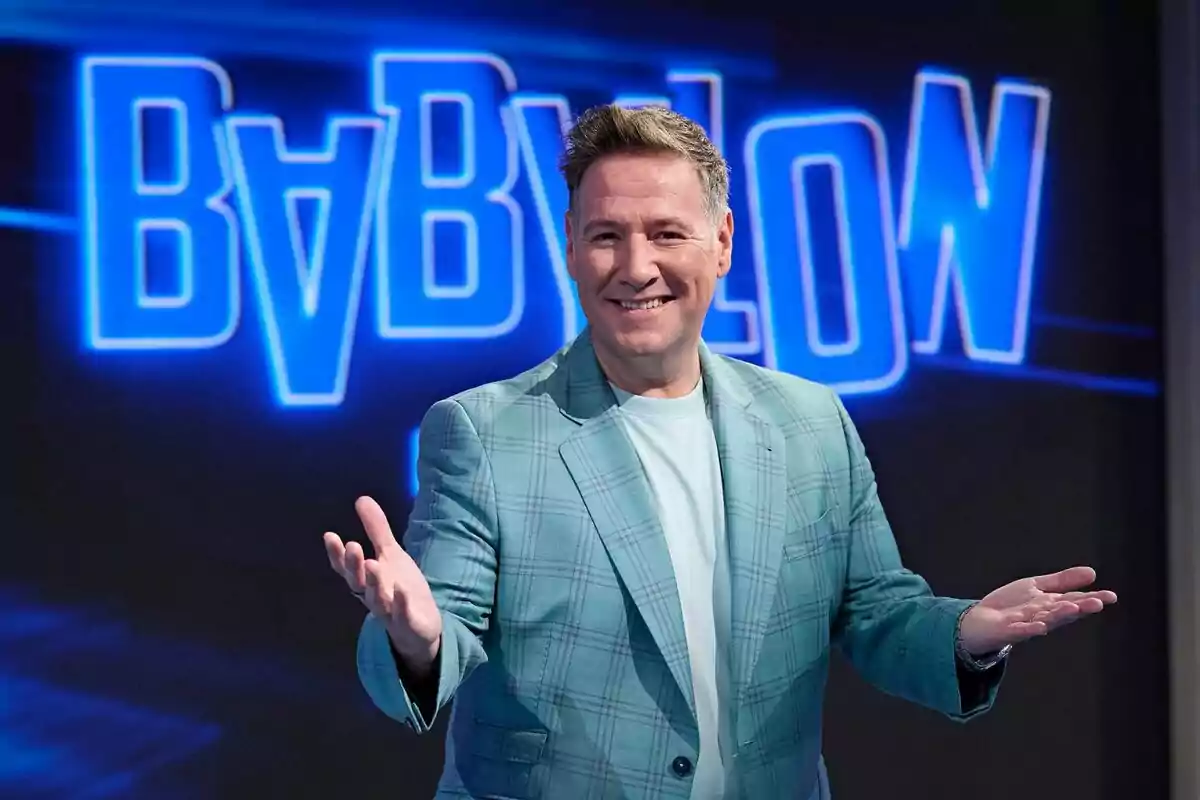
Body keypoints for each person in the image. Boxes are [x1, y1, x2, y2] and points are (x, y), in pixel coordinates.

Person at [323, 104, 1117, 800]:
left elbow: (877, 613)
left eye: (666, 234)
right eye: (606, 237)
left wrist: (965, 635)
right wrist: (418, 641)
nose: (637, 268)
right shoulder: (485, 433)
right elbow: (440, 631)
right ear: (570, 247)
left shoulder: (812, 422)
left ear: (722, 242)